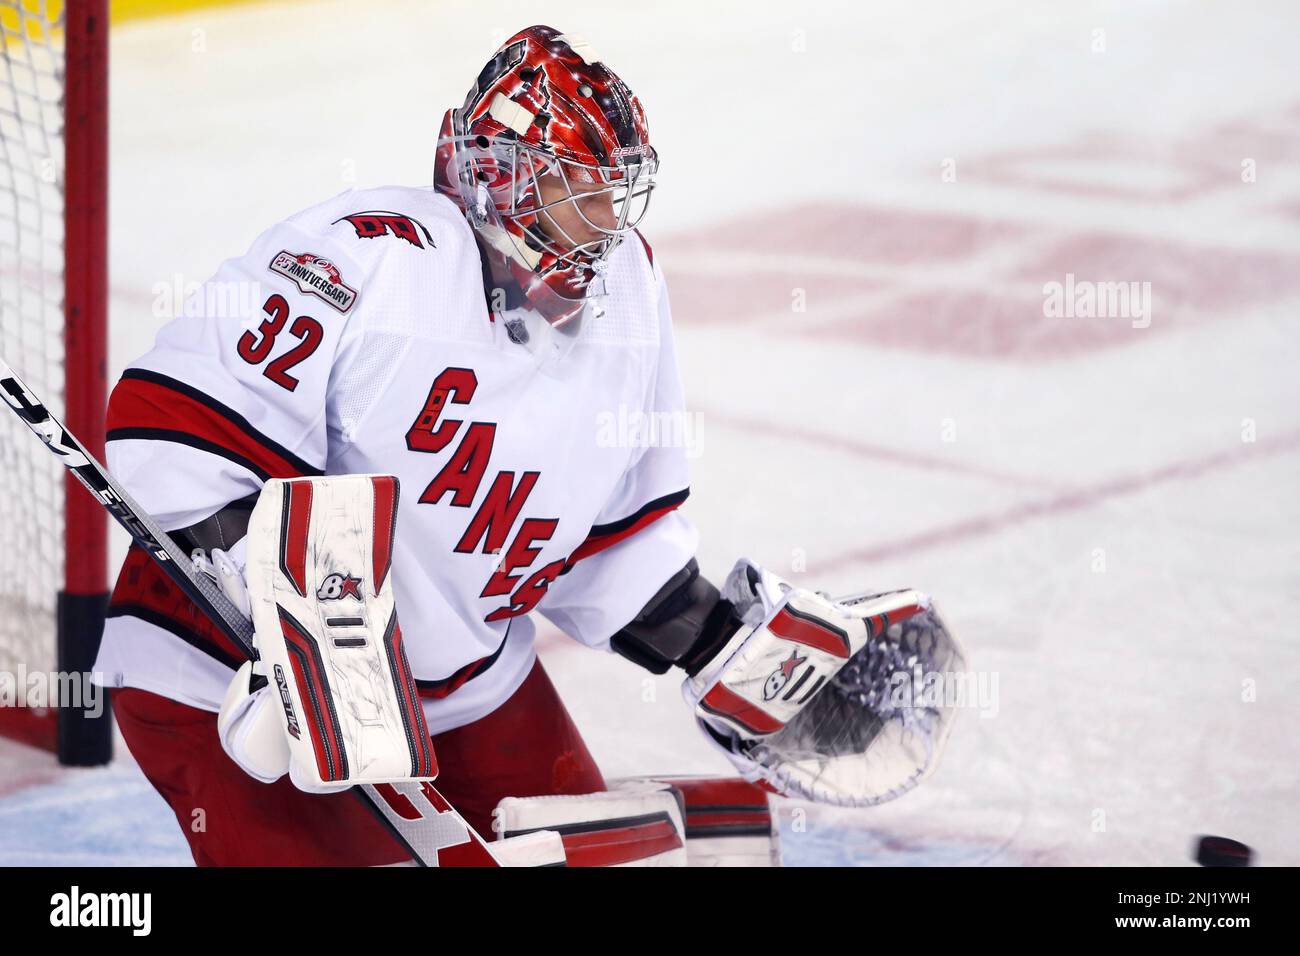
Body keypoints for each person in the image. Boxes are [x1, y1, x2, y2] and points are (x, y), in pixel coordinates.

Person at [95, 25, 957, 866]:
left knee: (605, 862)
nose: (601, 221)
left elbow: (611, 537)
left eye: (612, 191)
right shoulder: (368, 258)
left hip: (465, 682)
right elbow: (176, 428)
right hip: (215, 676)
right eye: (572, 189)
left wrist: (713, 637)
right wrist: (281, 621)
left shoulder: (627, 289)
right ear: (494, 179)